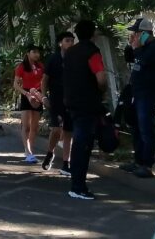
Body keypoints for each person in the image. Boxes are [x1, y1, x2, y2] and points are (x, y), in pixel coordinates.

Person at [63, 20, 107, 200]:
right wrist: (101, 92)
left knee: (78, 142)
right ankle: (78, 186)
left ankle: (76, 183)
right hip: (88, 104)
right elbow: (101, 78)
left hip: (72, 102)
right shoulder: (92, 52)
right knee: (83, 144)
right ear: (92, 34)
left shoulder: (70, 52)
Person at [124, 18, 155, 178]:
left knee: (146, 128)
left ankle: (147, 164)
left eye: (137, 34)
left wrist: (136, 48)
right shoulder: (141, 47)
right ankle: (138, 160)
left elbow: (142, 60)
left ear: (144, 33)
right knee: (136, 127)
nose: (134, 36)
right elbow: (129, 58)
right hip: (136, 92)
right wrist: (130, 46)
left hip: (148, 94)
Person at [41, 32, 75, 175]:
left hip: (72, 100)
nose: (71, 43)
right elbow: (44, 80)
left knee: (68, 132)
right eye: (67, 41)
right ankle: (50, 153)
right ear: (60, 43)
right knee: (56, 129)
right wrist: (43, 97)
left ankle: (66, 163)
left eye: (72, 41)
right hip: (55, 99)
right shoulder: (53, 59)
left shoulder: (75, 59)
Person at [14, 44, 45, 163]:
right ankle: (27, 151)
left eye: (38, 52)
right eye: (34, 52)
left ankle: (31, 150)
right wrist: (26, 94)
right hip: (26, 94)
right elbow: (16, 84)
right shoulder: (21, 67)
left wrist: (42, 94)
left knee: (35, 127)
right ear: (28, 53)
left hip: (38, 94)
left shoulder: (41, 66)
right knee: (26, 126)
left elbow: (44, 81)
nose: (37, 54)